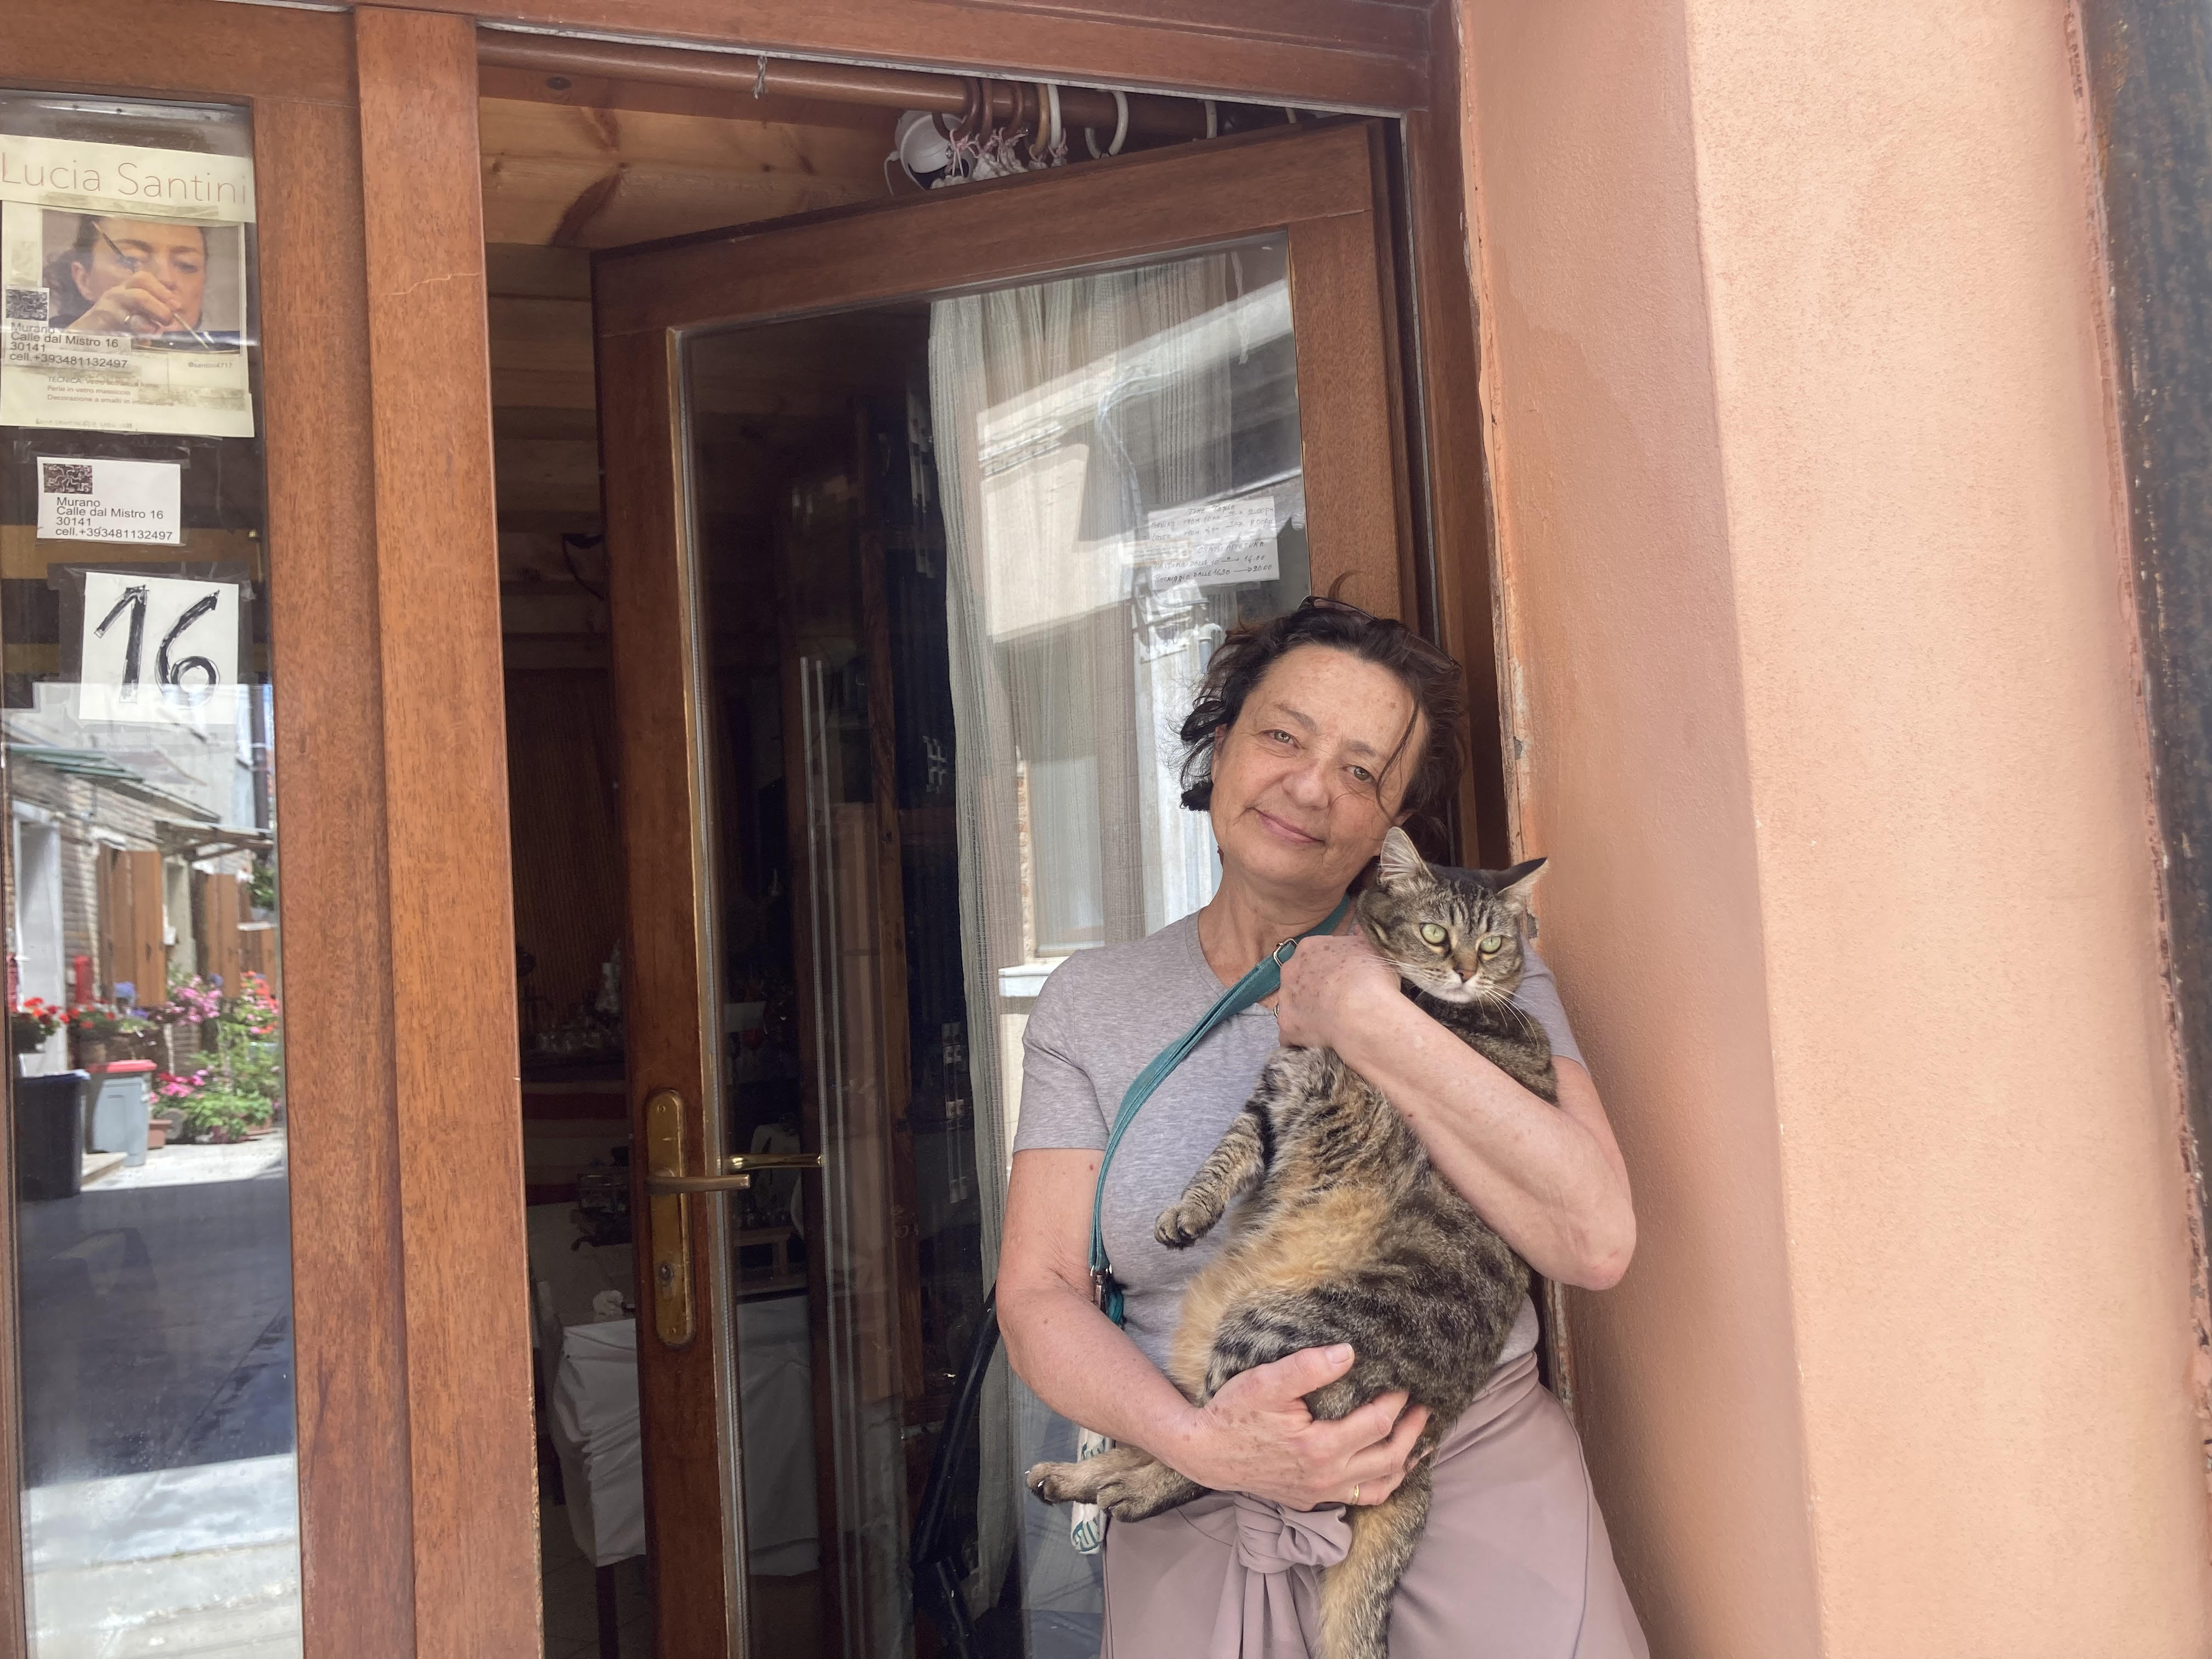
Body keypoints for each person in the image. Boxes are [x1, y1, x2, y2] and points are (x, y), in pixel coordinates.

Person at [998, 596, 1648, 1658]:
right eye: (1283, 735)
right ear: (1223, 740)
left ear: (1396, 818)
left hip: (1462, 1499)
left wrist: (1366, 1012)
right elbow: (1036, 1294)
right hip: (1195, 1508)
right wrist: (1205, 1443)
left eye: (1362, 769)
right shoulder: (1093, 1001)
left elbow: (1593, 1234)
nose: (1310, 785)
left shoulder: (1487, 973)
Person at [49, 214, 209, 337]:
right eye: (132, 259)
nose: (165, 279)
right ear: (84, 280)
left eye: (186, 265)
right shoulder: (46, 343)